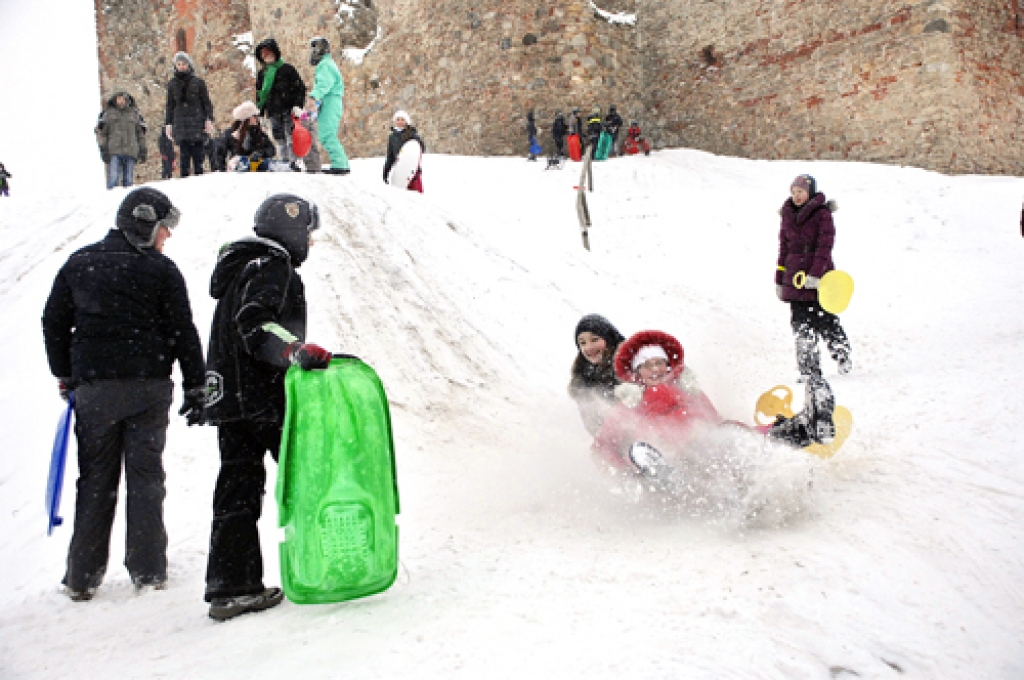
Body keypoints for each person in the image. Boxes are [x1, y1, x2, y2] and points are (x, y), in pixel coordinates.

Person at [41, 187, 206, 601]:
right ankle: (148, 570)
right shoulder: (161, 271)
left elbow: (53, 321)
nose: (167, 237)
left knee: (95, 478)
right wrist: (196, 383)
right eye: (164, 229)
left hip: (95, 390)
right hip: (148, 388)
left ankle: (82, 576)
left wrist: (65, 373)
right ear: (145, 225)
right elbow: (183, 331)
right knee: (146, 477)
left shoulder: (80, 264)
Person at [201, 193, 333, 620]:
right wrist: (294, 351)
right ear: (291, 229)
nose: (309, 243)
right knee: (311, 477)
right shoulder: (271, 267)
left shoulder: (242, 267)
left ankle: (231, 586)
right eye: (307, 233)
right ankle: (327, 564)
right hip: (262, 399)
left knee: (236, 490)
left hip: (234, 399)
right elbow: (254, 322)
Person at [592, 330, 836, 482]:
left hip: (708, 448)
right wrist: (626, 471)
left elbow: (714, 423)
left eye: (660, 364)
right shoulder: (629, 405)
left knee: (737, 439)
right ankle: (663, 478)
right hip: (670, 457)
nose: (655, 370)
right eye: (648, 365)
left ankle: (805, 427)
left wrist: (739, 433)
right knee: (643, 452)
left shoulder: (690, 392)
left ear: (669, 367)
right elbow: (602, 446)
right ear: (637, 372)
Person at [775, 174, 852, 379]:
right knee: (801, 328)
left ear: (809, 192)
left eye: (800, 191)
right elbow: (784, 248)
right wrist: (779, 279)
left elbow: (824, 247)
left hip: (818, 280)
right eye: (794, 192)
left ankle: (842, 354)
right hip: (794, 279)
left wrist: (816, 274)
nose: (796, 196)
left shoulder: (822, 214)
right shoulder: (787, 215)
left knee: (825, 321)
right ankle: (809, 371)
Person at [568, 314, 626, 437]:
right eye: (582, 343)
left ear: (609, 339)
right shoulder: (583, 379)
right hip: (615, 445)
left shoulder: (630, 362)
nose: (589, 347)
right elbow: (593, 426)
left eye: (594, 339)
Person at [254, 38, 307, 166]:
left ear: (275, 53)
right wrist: (260, 113)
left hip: (288, 109)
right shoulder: (262, 74)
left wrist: (298, 105)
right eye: (264, 54)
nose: (266, 57)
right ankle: (284, 163)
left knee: (290, 137)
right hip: (273, 111)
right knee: (279, 139)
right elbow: (260, 94)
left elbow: (299, 88)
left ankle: (294, 162)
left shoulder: (287, 69)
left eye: (269, 53)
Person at [164, 52, 215, 178]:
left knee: (199, 157)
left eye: (184, 64)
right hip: (180, 124)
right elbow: (170, 106)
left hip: (197, 123)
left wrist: (208, 119)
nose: (181, 67)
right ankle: (185, 182)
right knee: (184, 157)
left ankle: (199, 180)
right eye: (179, 64)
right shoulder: (172, 84)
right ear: (175, 66)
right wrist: (168, 124)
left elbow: (206, 103)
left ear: (188, 65)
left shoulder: (198, 83)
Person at [305, 37, 350, 175]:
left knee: (327, 134)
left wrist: (314, 96)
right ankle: (340, 163)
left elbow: (324, 83)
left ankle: (340, 164)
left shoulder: (325, 65)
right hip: (329, 100)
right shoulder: (327, 64)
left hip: (330, 101)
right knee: (326, 134)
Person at [96, 90, 147, 189]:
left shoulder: (134, 114)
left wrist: (142, 151)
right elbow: (102, 134)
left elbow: (140, 134)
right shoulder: (108, 115)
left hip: (131, 151)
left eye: (122, 98)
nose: (120, 101)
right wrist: (104, 150)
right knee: (113, 180)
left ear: (126, 100)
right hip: (114, 151)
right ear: (115, 100)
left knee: (128, 182)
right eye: (118, 98)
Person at [220, 101, 278, 171]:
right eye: (255, 116)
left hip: (256, 165)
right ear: (248, 118)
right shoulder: (231, 133)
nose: (257, 119)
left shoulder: (259, 132)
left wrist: (260, 153)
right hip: (239, 167)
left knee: (271, 164)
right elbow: (220, 152)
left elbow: (272, 149)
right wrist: (222, 170)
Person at [383, 110, 425, 192]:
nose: (400, 122)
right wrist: (386, 172)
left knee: (416, 195)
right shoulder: (392, 137)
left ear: (406, 121)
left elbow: (420, 149)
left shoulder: (412, 134)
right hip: (401, 169)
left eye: (402, 119)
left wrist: (416, 140)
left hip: (412, 170)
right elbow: (390, 156)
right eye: (398, 119)